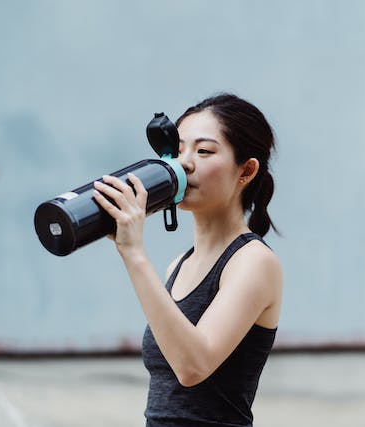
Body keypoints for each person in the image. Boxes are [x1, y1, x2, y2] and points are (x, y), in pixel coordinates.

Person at [92, 93, 283, 426]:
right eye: (177, 151)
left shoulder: (253, 261)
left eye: (204, 151)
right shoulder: (178, 265)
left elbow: (193, 366)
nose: (184, 163)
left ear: (246, 171)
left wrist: (134, 252)